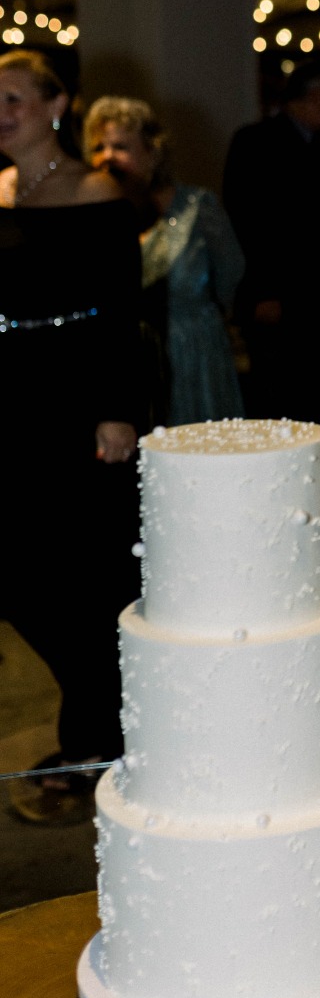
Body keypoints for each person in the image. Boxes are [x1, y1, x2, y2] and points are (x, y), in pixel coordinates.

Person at [0, 50, 143, 823]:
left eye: (14, 98)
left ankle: (92, 744)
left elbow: (122, 314)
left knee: (85, 583)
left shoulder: (97, 192)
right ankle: (100, 732)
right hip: (11, 406)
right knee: (20, 577)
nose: (1, 112)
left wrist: (117, 409)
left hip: (80, 409)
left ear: (57, 106)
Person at [85, 96, 245, 425]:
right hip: (127, 362)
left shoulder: (198, 207)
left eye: (120, 147)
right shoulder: (93, 216)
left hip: (193, 360)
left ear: (153, 152)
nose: (106, 157)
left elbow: (232, 277)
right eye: (98, 147)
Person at [223, 55, 320, 424]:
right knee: (279, 405)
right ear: (312, 97)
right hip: (277, 304)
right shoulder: (256, 142)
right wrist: (261, 292)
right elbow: (245, 221)